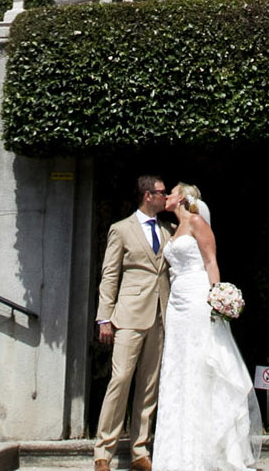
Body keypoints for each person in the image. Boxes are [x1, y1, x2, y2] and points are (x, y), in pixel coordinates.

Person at [153, 184, 261, 471]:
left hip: (198, 295)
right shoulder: (173, 227)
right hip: (177, 302)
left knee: (202, 363)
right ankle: (177, 451)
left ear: (184, 197)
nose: (167, 196)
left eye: (171, 192)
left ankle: (211, 448)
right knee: (179, 366)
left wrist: (217, 298)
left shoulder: (197, 222)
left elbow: (211, 260)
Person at [96, 176, 172, 471]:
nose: (166, 198)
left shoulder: (169, 230)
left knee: (149, 385)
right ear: (148, 195)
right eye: (163, 193)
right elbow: (110, 275)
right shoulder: (121, 229)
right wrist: (105, 317)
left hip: (160, 316)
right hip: (128, 316)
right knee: (120, 379)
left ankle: (140, 449)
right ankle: (103, 452)